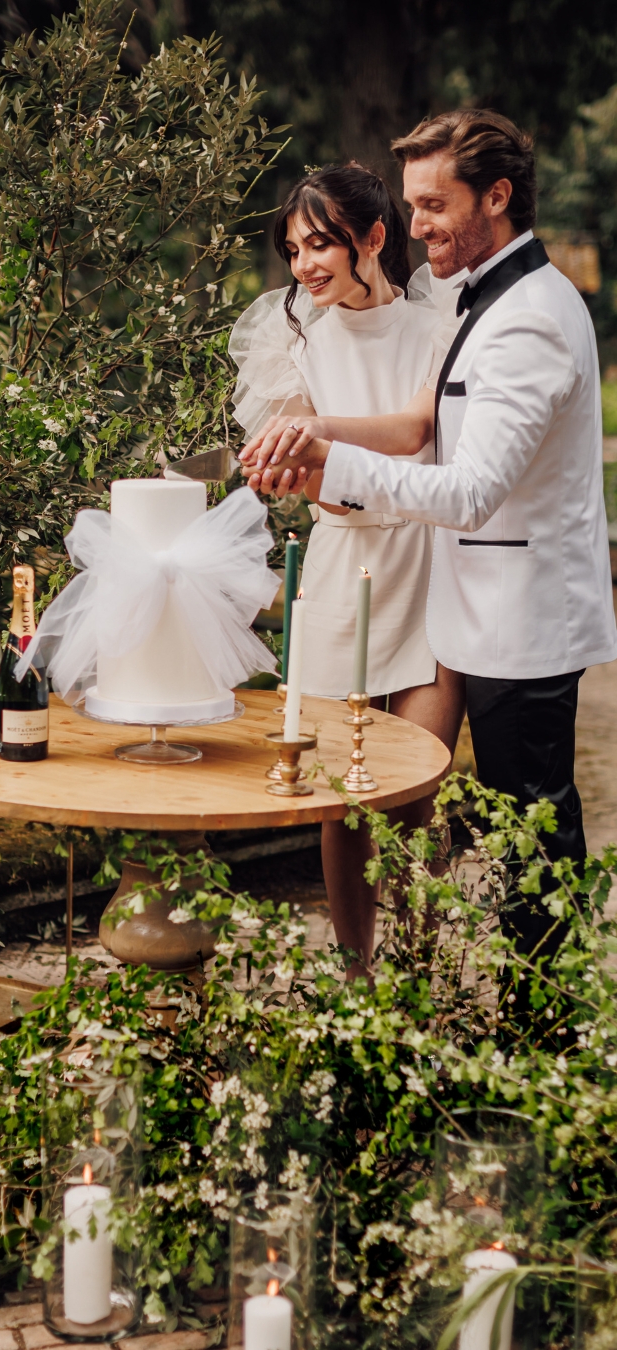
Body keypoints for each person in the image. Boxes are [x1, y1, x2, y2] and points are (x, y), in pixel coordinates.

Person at [243, 109, 617, 970]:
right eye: (409, 204)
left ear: (497, 195)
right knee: (519, 829)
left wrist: (332, 463)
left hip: (518, 615)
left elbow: (473, 489)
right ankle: (490, 1004)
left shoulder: (524, 317)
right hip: (474, 606)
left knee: (534, 833)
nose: (416, 226)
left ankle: (544, 1028)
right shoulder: (480, 300)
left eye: (433, 203)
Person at [230, 163, 464, 977]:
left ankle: (420, 962)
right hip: (341, 571)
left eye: (321, 243)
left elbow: (414, 431)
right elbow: (312, 485)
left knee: (415, 786)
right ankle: (357, 971)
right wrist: (303, 474)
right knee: (341, 796)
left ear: (373, 238)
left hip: (433, 564)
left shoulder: (437, 324)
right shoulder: (293, 339)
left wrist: (320, 433)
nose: (305, 266)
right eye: (293, 250)